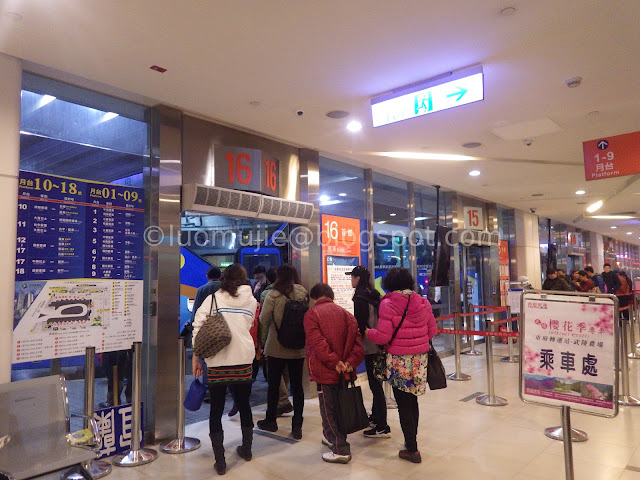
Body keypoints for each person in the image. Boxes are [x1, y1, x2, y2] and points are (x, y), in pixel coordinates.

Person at [192, 263, 258, 476]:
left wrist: (197, 354)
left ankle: (220, 461)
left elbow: (198, 328)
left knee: (216, 408)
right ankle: (246, 450)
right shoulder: (252, 300)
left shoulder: (212, 299)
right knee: (244, 404)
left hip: (218, 359)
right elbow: (247, 325)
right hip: (243, 358)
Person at [365, 267, 437, 464]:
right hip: (419, 360)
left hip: (399, 360)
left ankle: (412, 448)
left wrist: (368, 332)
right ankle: (411, 442)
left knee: (403, 402)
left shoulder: (387, 304)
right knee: (412, 401)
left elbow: (383, 337)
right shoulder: (423, 302)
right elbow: (432, 331)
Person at [304, 283, 364, 464]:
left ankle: (340, 449)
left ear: (314, 297)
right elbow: (358, 345)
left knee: (328, 410)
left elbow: (318, 344)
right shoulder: (347, 315)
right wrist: (349, 363)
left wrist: (334, 362)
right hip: (344, 371)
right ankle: (329, 437)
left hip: (327, 370)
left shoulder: (312, 315)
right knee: (337, 407)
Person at [257, 264, 308, 439]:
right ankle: (297, 426)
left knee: (273, 385)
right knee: (297, 387)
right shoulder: (303, 292)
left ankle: (271, 420)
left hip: (276, 347)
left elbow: (263, 320)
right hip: (298, 347)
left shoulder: (273, 295)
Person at [347, 265, 389, 438]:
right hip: (378, 341)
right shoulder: (374, 293)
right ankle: (376, 417)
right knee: (376, 382)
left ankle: (382, 426)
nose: (351, 280)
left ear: (358, 278)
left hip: (369, 344)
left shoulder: (360, 297)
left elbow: (360, 323)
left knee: (375, 385)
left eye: (352, 277)